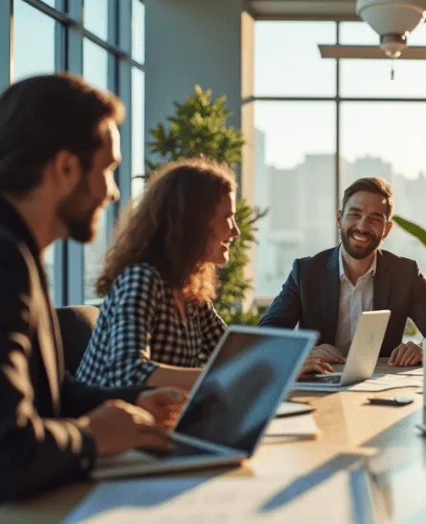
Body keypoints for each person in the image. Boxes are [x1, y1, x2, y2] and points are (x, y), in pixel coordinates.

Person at [0, 74, 186, 524]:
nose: (113, 192)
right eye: (107, 169)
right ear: (65, 168)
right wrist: (93, 437)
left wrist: (133, 403)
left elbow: (37, 390)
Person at [76, 159, 332, 392]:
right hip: (110, 432)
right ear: (195, 222)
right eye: (228, 218)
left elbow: (230, 354)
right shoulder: (142, 279)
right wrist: (241, 373)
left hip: (157, 422)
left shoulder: (190, 289)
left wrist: (289, 361)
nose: (235, 232)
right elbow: (128, 373)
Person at [259, 177, 426, 366]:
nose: (362, 227)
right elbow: (265, 336)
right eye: (355, 215)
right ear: (339, 219)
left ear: (386, 229)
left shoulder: (405, 274)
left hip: (381, 389)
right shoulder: (306, 272)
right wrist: (303, 353)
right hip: (319, 386)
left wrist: (424, 349)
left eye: (374, 219)